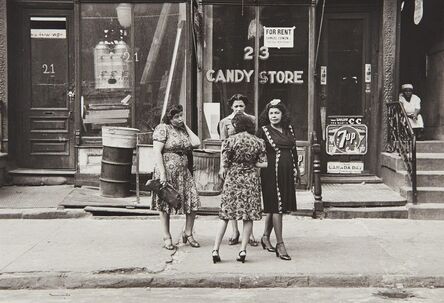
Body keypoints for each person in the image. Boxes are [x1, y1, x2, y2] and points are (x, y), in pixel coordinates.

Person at [212, 113, 267, 263]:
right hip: (250, 180)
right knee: (248, 216)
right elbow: (264, 164)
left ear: (237, 125)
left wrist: (235, 165)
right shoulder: (259, 141)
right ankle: (242, 250)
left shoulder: (230, 141)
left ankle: (216, 249)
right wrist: (250, 164)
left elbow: (225, 163)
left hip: (233, 179)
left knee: (225, 215)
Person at [256, 99, 301, 261]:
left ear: (282, 114)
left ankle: (265, 236)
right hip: (271, 173)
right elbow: (257, 152)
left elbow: (294, 149)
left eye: (277, 113)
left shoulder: (288, 129)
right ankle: (280, 244)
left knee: (276, 206)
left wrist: (296, 168)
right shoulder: (263, 130)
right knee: (276, 206)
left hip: (286, 172)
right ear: (267, 115)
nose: (274, 116)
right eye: (271, 113)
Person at [152, 104, 201, 250]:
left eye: (181, 115)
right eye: (176, 117)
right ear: (169, 117)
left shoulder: (182, 130)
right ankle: (167, 236)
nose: (180, 118)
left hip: (184, 172)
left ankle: (188, 233)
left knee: (193, 201)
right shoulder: (162, 128)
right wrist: (162, 173)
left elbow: (196, 143)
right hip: (167, 170)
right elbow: (157, 152)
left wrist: (184, 125)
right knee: (165, 204)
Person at [218, 94, 259, 247]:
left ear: (245, 106)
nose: (239, 109)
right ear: (231, 107)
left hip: (249, 164)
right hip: (232, 164)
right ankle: (235, 232)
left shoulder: (252, 120)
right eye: (236, 106)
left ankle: (251, 234)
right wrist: (223, 165)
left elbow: (254, 141)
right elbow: (223, 145)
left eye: (241, 106)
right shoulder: (225, 122)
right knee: (232, 199)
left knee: (249, 199)